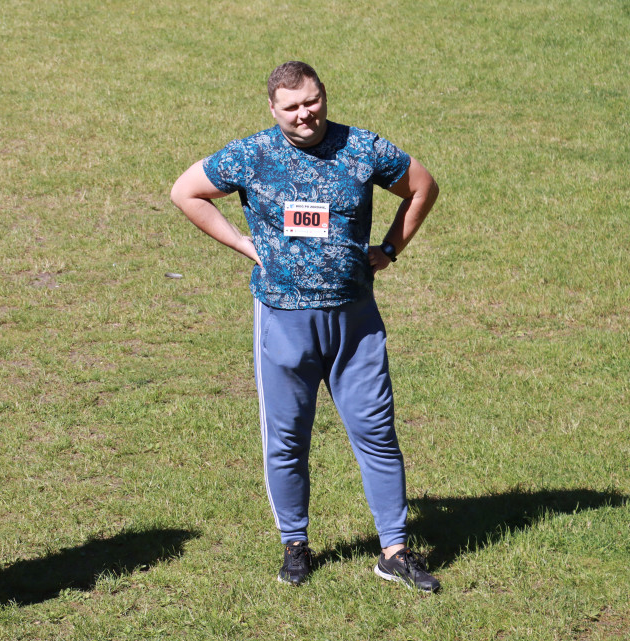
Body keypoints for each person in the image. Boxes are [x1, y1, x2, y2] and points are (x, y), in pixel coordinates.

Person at [170, 62, 441, 592]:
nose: (305, 114)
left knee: (377, 435)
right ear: (273, 110)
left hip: (355, 323)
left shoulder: (362, 148)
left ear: (323, 96)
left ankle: (395, 550)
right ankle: (295, 544)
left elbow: (422, 186)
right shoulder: (253, 155)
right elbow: (185, 191)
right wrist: (245, 245)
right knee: (287, 441)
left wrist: (389, 250)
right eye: (292, 107)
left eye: (312, 101)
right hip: (283, 322)